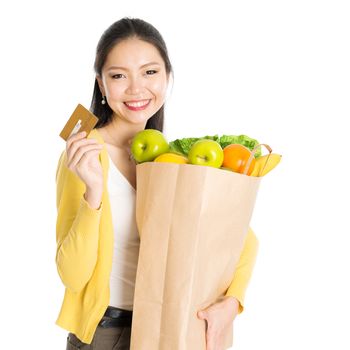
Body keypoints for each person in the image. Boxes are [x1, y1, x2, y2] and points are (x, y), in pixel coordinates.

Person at [55, 17, 259, 350]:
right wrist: (93, 195)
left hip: (174, 328)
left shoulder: (173, 158)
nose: (136, 89)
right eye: (119, 76)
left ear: (167, 77)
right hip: (108, 334)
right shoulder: (85, 155)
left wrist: (232, 301)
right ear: (101, 85)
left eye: (149, 72)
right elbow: (72, 276)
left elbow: (240, 237)